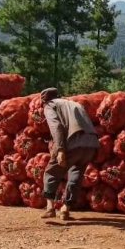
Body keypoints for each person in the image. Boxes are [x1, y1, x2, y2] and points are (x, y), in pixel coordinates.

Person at [40, 88, 99, 220]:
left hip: (74, 141)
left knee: (51, 172)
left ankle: (50, 207)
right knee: (76, 175)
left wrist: (60, 149)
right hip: (91, 144)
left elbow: (57, 127)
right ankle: (65, 209)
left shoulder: (50, 105)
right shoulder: (74, 103)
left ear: (45, 100)